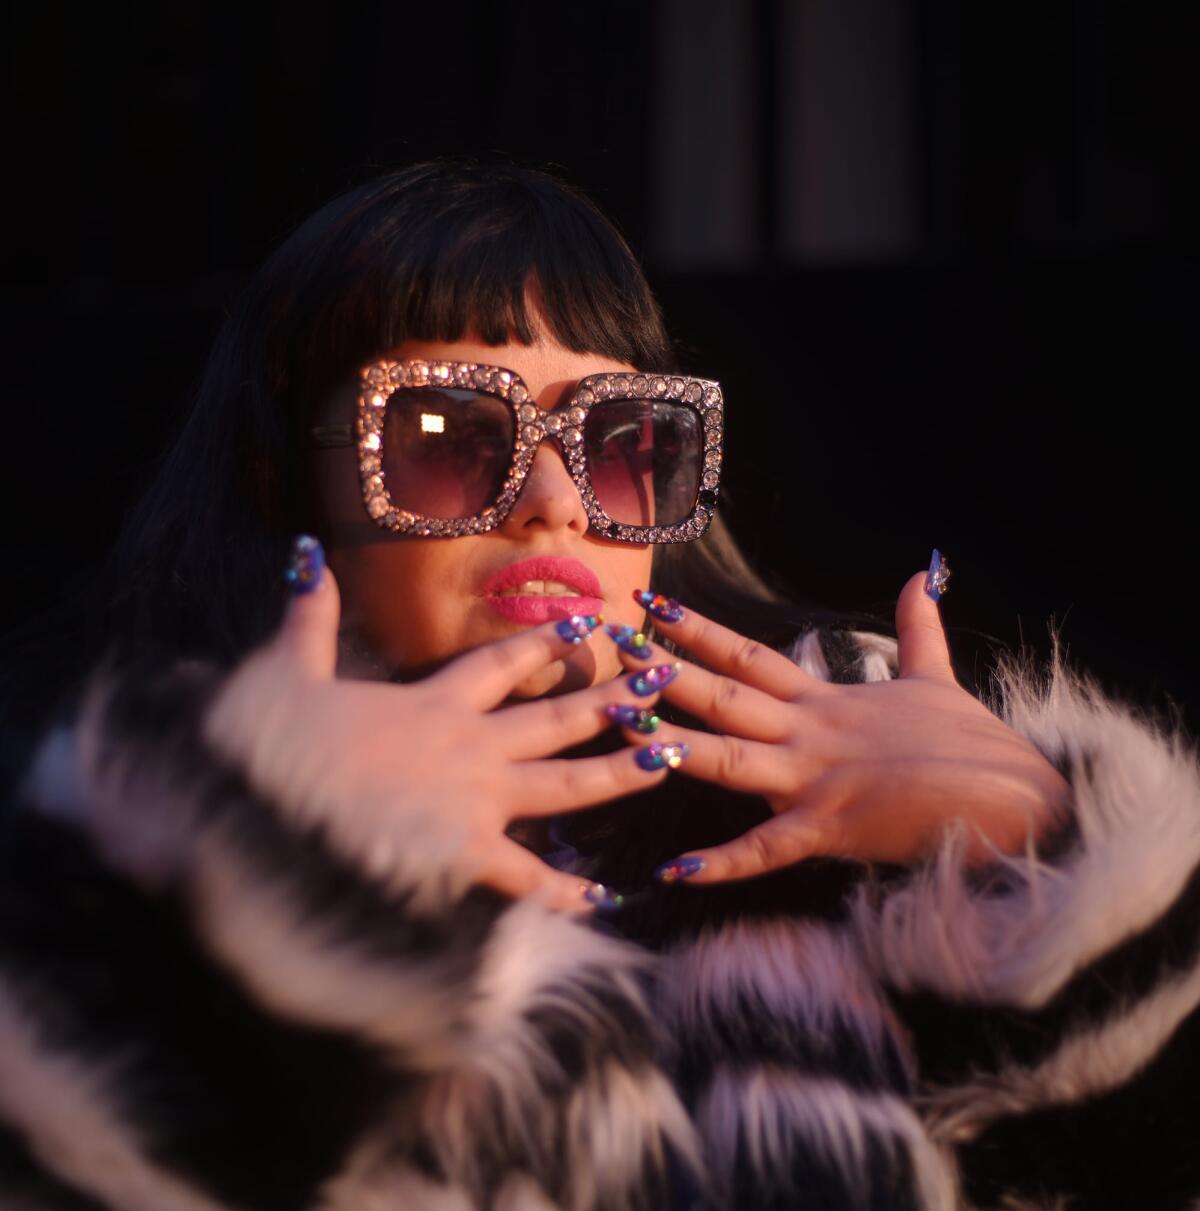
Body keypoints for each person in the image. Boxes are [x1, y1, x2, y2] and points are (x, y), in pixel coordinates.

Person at [2, 161, 1198, 1211]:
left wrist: (1061, 873)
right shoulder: (103, 837)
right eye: (449, 430)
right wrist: (249, 882)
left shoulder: (869, 814)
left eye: (621, 439)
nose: (557, 502)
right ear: (282, 483)